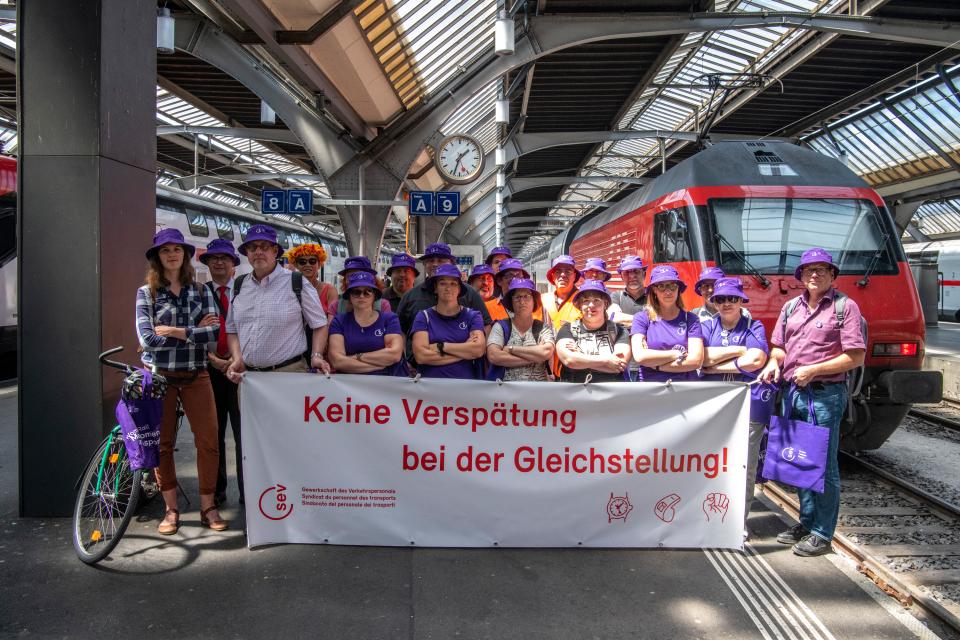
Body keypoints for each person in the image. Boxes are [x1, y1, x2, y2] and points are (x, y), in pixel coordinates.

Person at [759, 248, 866, 557]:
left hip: (824, 396)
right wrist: (772, 363)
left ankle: (822, 532)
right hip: (793, 393)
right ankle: (805, 523)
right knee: (799, 459)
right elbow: (779, 347)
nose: (814, 274)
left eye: (821, 269)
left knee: (824, 464)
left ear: (833, 275)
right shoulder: (791, 307)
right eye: (808, 270)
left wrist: (815, 369)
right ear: (801, 277)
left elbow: (855, 356)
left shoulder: (846, 307)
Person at [136, 229, 227, 535]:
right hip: (160, 379)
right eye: (166, 251)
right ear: (157, 258)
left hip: (196, 375)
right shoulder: (146, 293)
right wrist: (193, 331)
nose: (172, 254)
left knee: (209, 442)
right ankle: (171, 508)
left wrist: (172, 331)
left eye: (177, 249)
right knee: (163, 445)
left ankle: (208, 506)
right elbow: (147, 339)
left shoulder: (201, 291)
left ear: (185, 255)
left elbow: (213, 334)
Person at [699, 277, 769, 525]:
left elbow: (757, 360)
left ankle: (737, 523)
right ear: (714, 302)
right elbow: (702, 357)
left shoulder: (755, 325)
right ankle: (708, 519)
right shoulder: (706, 326)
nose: (726, 303)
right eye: (721, 299)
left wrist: (716, 367)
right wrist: (740, 351)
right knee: (708, 461)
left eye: (732, 298)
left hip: (748, 406)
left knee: (744, 466)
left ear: (741, 300)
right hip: (713, 406)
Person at [225, 224, 330, 380]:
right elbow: (232, 329)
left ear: (275, 251)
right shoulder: (239, 285)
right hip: (249, 377)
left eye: (264, 247)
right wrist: (237, 358)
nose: (258, 252)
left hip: (289, 374)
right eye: (252, 247)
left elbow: (319, 324)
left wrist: (316, 355)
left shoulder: (297, 282)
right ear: (247, 253)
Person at [199, 238, 244, 507]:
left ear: (234, 266)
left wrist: (237, 359)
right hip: (210, 372)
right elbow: (191, 331)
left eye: (224, 259)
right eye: (213, 258)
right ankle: (216, 489)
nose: (218, 262)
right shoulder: (198, 292)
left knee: (243, 434)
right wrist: (212, 359)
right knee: (213, 434)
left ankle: (247, 489)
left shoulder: (245, 292)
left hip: (240, 371)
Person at [396, 242, 493, 360]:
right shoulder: (410, 297)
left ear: (452, 263)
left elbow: (486, 324)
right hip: (418, 369)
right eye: (431, 261)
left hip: (463, 370)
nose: (435, 264)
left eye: (441, 260)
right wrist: (405, 360)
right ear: (425, 264)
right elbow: (400, 331)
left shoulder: (469, 293)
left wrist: (482, 355)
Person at [410, 263, 486, 379]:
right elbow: (421, 356)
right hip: (430, 391)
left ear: (459, 289)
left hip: (466, 389)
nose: (448, 288)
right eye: (442, 283)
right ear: (435, 288)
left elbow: (478, 350)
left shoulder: (473, 316)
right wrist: (465, 349)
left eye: (453, 284)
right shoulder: (423, 317)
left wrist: (441, 346)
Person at [630, 264, 704, 381]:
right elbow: (640, 356)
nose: (668, 291)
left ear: (678, 288)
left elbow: (696, 361)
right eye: (661, 286)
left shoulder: (691, 319)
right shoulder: (642, 318)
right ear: (654, 290)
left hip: (686, 389)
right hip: (651, 388)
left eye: (672, 286)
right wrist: (676, 354)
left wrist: (656, 365)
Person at [327, 271, 406, 376]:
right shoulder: (339, 322)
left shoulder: (390, 319)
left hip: (388, 384)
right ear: (349, 296)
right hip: (350, 387)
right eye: (356, 292)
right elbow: (338, 362)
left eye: (367, 291)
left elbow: (395, 354)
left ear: (374, 295)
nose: (361, 296)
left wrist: (357, 356)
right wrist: (379, 365)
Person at [555, 280, 631, 383]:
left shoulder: (619, 331)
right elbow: (569, 360)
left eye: (597, 300)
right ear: (580, 305)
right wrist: (607, 360)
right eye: (586, 300)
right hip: (574, 394)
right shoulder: (568, 329)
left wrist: (580, 355)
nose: (591, 305)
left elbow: (619, 365)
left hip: (611, 394)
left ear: (606, 304)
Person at [486, 277, 556, 381]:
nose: (522, 301)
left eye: (526, 296)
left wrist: (511, 349)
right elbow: (493, 355)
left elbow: (546, 352)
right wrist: (536, 357)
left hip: (538, 393)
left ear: (534, 301)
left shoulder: (543, 328)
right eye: (517, 297)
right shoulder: (500, 327)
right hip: (506, 393)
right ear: (511, 302)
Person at [609, 256, 648, 381]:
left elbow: (662, 321)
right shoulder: (616, 296)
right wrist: (647, 322)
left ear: (644, 273)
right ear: (621, 276)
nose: (632, 276)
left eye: (636, 271)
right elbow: (614, 317)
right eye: (627, 273)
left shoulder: (654, 296)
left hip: (648, 363)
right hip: (624, 364)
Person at [288, 243, 339, 317]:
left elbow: (332, 320)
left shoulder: (330, 290)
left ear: (319, 264)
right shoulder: (289, 288)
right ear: (296, 265)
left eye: (312, 261)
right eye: (302, 262)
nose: (308, 265)